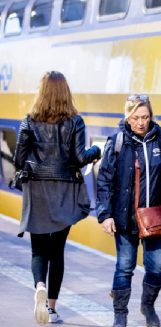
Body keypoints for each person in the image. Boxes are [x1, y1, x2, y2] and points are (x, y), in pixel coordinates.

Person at [13, 71, 101, 324]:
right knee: (57, 251)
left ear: (41, 92)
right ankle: (51, 308)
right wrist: (96, 150)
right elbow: (78, 159)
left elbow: (19, 159)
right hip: (65, 191)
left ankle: (39, 285)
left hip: (37, 190)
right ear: (66, 92)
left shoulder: (28, 122)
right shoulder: (75, 121)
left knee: (38, 250)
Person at [96, 94, 161, 327]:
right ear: (127, 117)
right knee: (125, 266)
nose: (141, 123)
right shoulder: (117, 142)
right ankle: (120, 315)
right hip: (125, 218)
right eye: (135, 118)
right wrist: (105, 215)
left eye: (145, 117)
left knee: (157, 265)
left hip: (156, 217)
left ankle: (148, 305)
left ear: (151, 116)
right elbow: (104, 180)